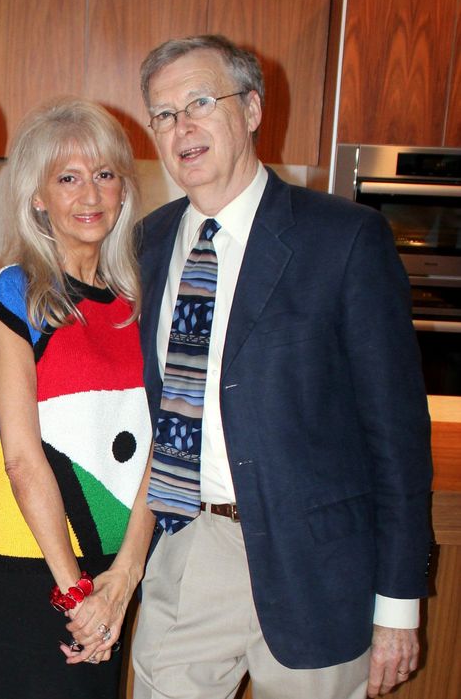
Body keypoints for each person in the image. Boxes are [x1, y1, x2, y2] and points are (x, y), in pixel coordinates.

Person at [132, 34, 433, 699]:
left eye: (200, 101)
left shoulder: (343, 239)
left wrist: (399, 603)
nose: (181, 126)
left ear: (252, 109)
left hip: (317, 565)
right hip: (190, 547)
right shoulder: (150, 242)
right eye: (163, 112)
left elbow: (398, 435)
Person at [0, 97, 155, 698]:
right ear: (38, 197)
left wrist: (123, 577)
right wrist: (76, 591)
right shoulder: (16, 292)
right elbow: (21, 456)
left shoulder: (140, 299)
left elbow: (164, 445)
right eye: (68, 178)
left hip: (118, 564)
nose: (91, 195)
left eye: (105, 175)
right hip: (38, 565)